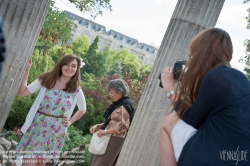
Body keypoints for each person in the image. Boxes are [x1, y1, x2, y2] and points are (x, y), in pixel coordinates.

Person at [159, 28, 250, 166]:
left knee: (168, 121)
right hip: (239, 157)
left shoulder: (215, 78)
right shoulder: (239, 77)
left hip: (211, 157)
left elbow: (192, 119)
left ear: (200, 52)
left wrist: (170, 88)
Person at [15, 54, 87, 166]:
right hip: (37, 127)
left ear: (77, 69)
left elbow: (82, 110)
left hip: (56, 131)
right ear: (61, 66)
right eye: (67, 65)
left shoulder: (76, 89)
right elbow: (22, 92)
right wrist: (26, 70)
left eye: (73, 66)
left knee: (40, 164)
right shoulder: (47, 79)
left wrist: (70, 121)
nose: (70, 68)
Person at [89, 78, 135, 166]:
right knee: (96, 163)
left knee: (102, 164)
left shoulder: (124, 106)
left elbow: (124, 126)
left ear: (120, 92)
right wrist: (97, 126)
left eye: (112, 93)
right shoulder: (118, 104)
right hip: (108, 137)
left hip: (114, 139)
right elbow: (112, 123)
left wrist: (105, 131)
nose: (110, 95)